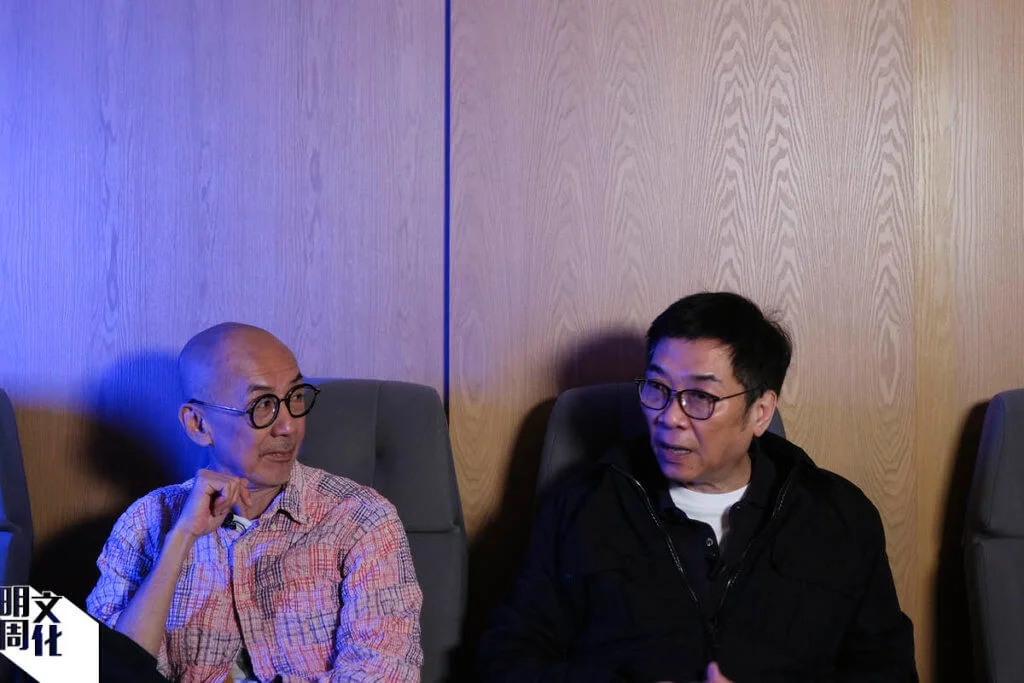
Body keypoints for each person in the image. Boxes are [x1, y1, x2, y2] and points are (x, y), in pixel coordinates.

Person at [480, 292, 917, 682]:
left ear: (761, 412)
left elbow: (888, 670)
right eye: (657, 388)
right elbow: (507, 660)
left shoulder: (836, 516)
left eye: (700, 398)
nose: (669, 417)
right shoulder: (583, 505)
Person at [87, 323, 423, 682]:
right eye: (262, 405)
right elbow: (108, 672)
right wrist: (181, 538)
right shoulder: (144, 523)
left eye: (296, 396)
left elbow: (386, 672)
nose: (289, 427)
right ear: (198, 425)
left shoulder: (362, 519)